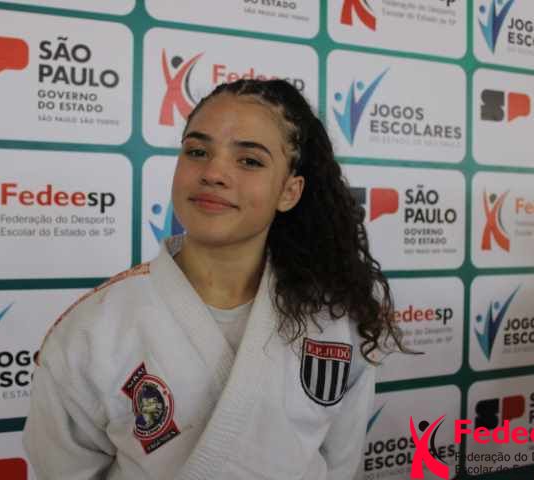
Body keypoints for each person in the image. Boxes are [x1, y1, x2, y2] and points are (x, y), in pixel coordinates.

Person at [22, 79, 400, 480]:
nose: (214, 173)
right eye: (197, 152)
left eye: (249, 161)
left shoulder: (334, 317)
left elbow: (341, 462)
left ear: (289, 192)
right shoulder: (93, 329)